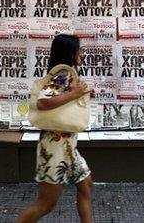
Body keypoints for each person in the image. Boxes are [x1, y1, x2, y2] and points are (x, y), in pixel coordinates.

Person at [17, 35, 94, 223]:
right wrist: (75, 94)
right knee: (46, 204)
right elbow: (43, 103)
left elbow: (60, 100)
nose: (81, 54)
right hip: (54, 148)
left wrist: (78, 93)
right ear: (71, 53)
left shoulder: (67, 75)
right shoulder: (61, 74)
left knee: (86, 185)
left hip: (68, 147)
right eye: (79, 50)